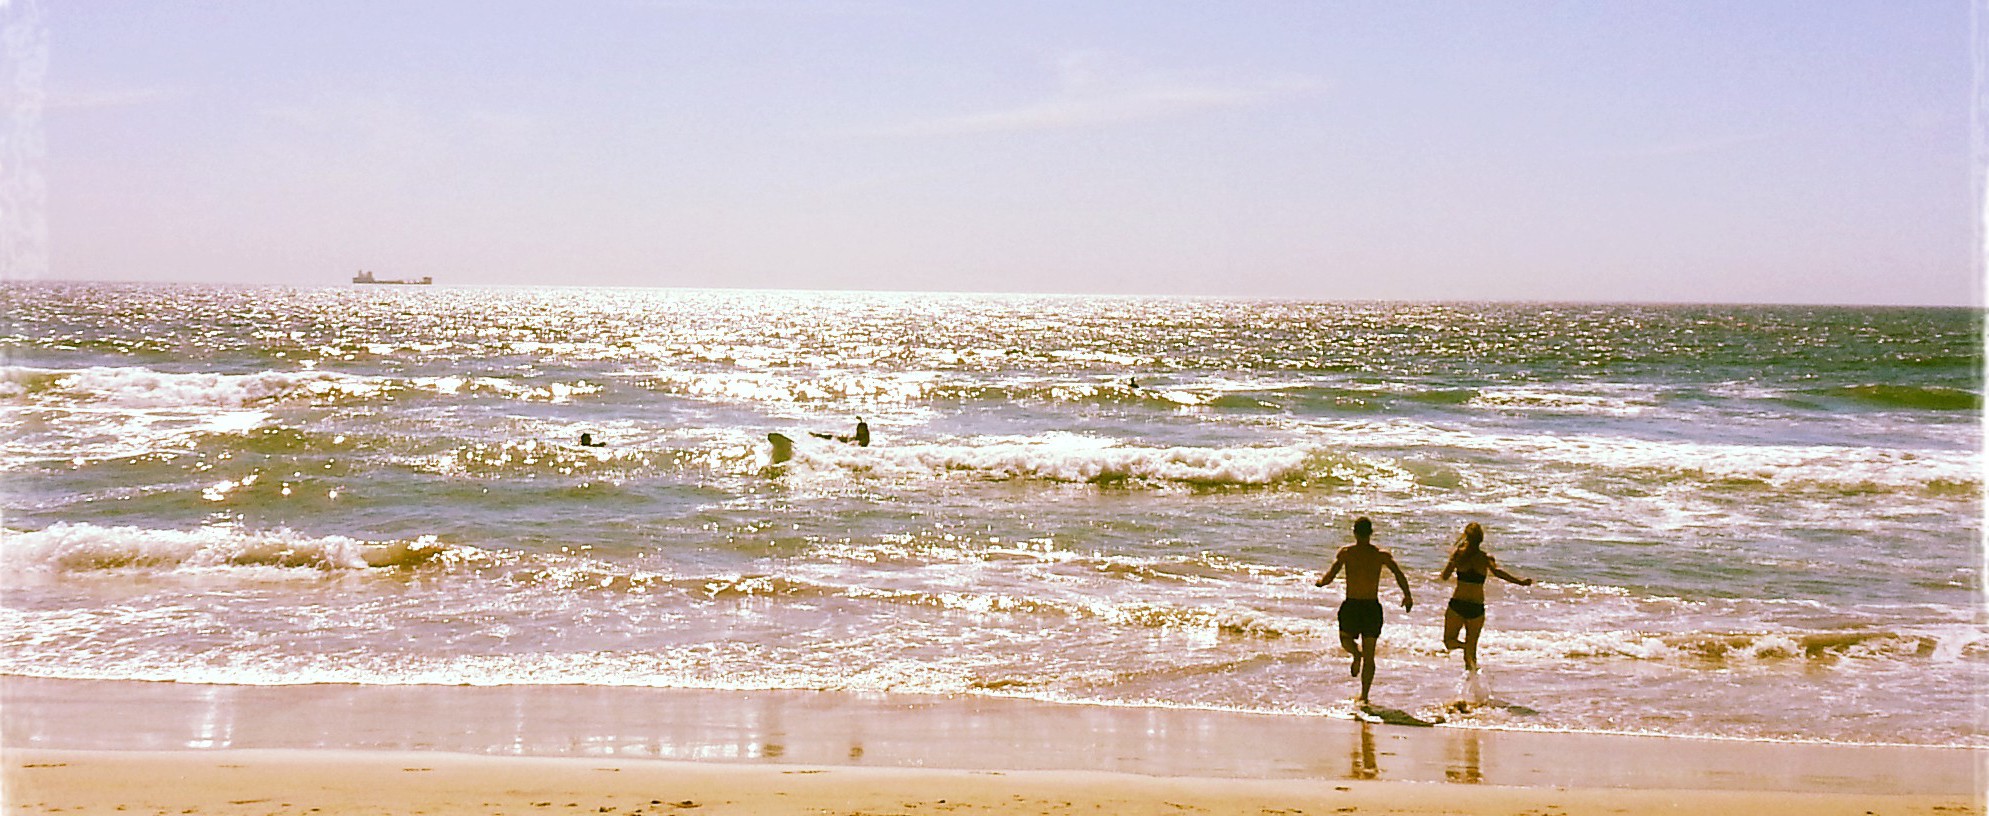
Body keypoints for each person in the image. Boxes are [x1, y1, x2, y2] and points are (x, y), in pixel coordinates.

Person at [1316, 516, 1413, 706]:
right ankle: (1364, 694)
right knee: (1369, 656)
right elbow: (1398, 574)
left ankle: (1356, 657)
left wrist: (1321, 582)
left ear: (1354, 532)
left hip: (1353, 605)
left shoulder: (1347, 553)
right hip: (1370, 607)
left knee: (1345, 639)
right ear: (1371, 533)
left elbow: (1331, 574)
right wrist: (1407, 595)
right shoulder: (1380, 555)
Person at [1438, 522, 1532, 674]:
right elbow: (1499, 572)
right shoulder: (1486, 558)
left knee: (1449, 642)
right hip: (1476, 607)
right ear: (1481, 539)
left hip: (1457, 604)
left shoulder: (1458, 555)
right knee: (1471, 655)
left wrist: (1452, 560)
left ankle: (1465, 649)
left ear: (1466, 537)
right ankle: (1473, 684)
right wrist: (1520, 582)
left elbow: (1444, 576)